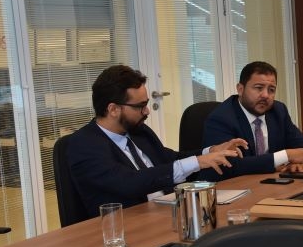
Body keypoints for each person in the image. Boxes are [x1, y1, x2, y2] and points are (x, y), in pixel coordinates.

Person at [68, 65, 248, 218]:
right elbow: (128, 183)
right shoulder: (83, 145)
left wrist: (211, 152)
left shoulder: (139, 132)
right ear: (113, 109)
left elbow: (169, 158)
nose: (146, 111)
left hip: (168, 214)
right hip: (130, 226)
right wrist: (196, 162)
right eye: (140, 106)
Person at [201, 61, 303, 180]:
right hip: (232, 189)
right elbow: (228, 165)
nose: (265, 95)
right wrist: (286, 156)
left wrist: (298, 162)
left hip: (268, 185)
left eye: (271, 90)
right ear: (240, 89)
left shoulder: (278, 111)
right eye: (259, 88)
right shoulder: (222, 118)